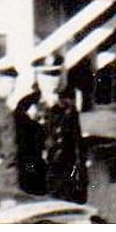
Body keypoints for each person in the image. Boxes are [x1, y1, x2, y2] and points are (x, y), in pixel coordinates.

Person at [35, 63, 89, 205]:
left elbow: (77, 142)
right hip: (37, 172)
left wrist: (79, 173)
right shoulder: (29, 105)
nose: (52, 80)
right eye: (46, 76)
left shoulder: (68, 106)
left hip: (64, 173)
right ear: (38, 77)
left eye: (55, 75)